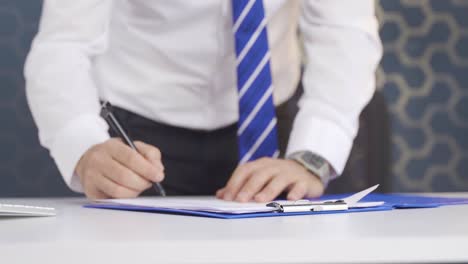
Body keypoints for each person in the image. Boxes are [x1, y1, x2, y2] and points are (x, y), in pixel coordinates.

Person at [24, 1, 382, 202]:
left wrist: (312, 158)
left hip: (280, 129)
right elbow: (63, 45)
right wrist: (85, 149)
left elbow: (345, 34)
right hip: (139, 137)